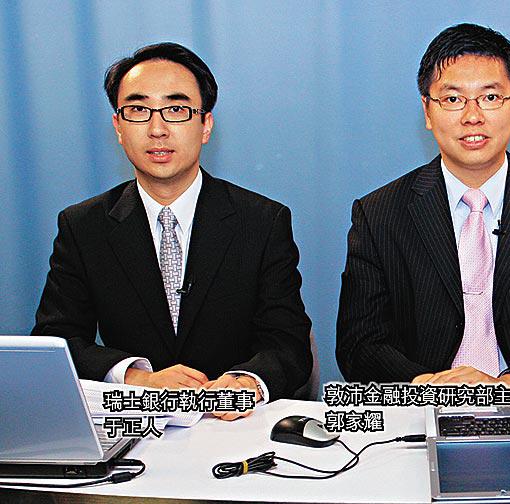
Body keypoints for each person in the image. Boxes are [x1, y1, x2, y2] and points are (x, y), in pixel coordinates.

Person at [33, 42, 312, 418]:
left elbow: (288, 342)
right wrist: (136, 377)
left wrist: (246, 382)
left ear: (205, 125)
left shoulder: (261, 221)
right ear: (118, 127)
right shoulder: (83, 226)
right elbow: (57, 340)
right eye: (138, 110)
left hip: (233, 427)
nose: (157, 129)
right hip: (135, 424)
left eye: (176, 110)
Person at [336, 24, 510, 400]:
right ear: (427, 111)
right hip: (420, 410)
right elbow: (359, 342)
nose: (472, 116)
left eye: (490, 97)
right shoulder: (379, 214)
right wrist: (428, 386)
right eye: (453, 99)